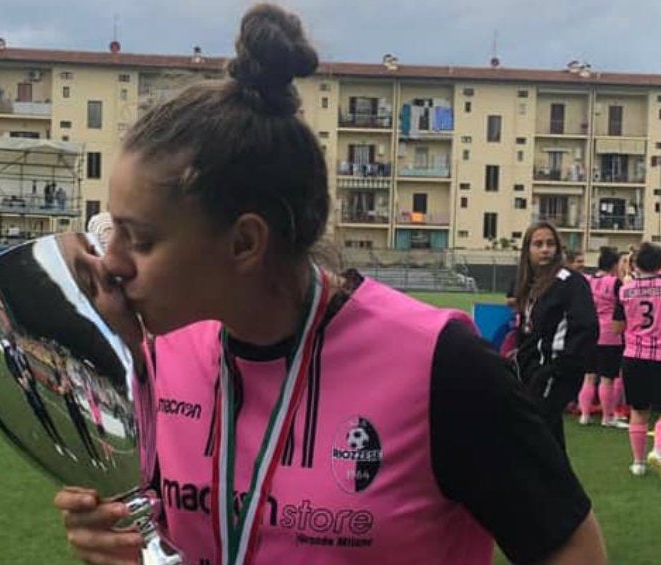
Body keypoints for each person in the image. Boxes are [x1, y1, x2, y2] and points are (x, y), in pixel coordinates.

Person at [52, 5, 607, 565]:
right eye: (114, 231)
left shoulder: (441, 365)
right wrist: (124, 542)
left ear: (244, 243)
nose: (113, 261)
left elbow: (574, 551)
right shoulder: (157, 358)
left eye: (141, 240)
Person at [511, 221, 599, 450]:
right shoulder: (531, 285)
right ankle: (559, 473)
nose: (545, 250)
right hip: (533, 369)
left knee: (534, 430)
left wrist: (559, 366)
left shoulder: (570, 282)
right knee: (549, 436)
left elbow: (587, 326)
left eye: (550, 244)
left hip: (556, 369)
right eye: (538, 244)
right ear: (528, 250)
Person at [612, 243, 661, 483]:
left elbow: (617, 327)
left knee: (638, 410)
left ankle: (637, 463)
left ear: (636, 263)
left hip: (634, 356)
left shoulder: (625, 289)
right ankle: (658, 452)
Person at [578, 247, 628, 428]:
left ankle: (584, 415)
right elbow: (624, 304)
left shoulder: (588, 280)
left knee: (589, 376)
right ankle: (607, 417)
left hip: (590, 331)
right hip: (609, 333)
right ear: (614, 264)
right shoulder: (615, 282)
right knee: (608, 378)